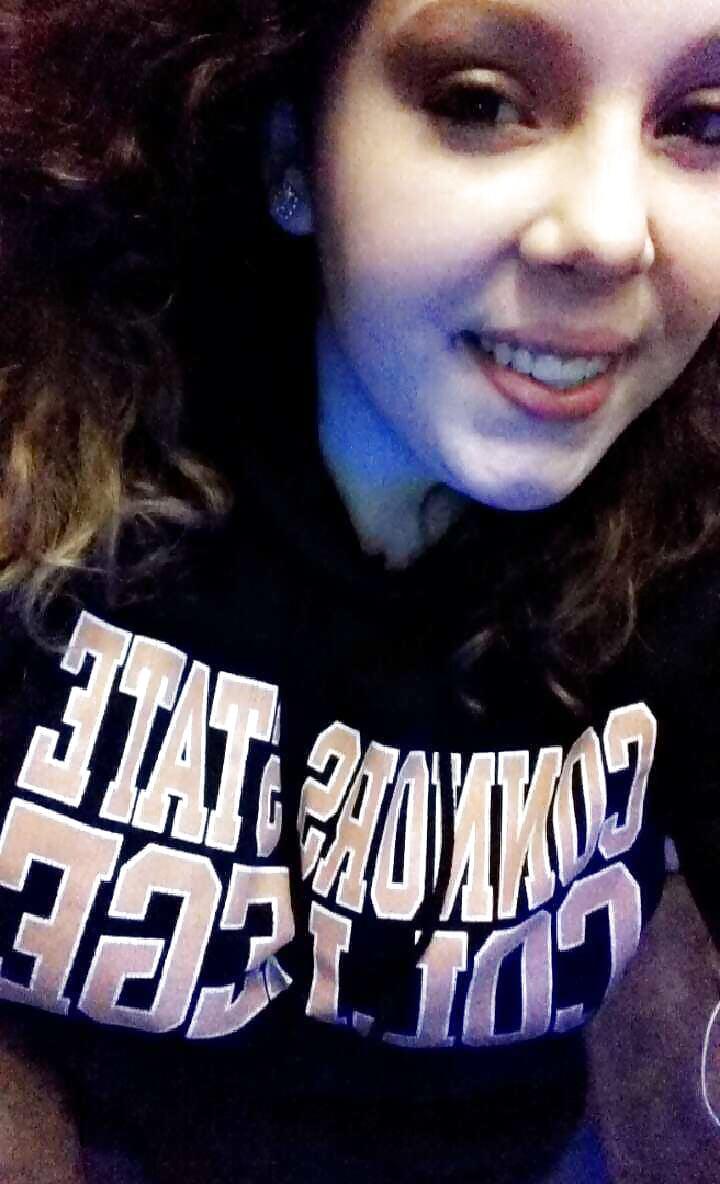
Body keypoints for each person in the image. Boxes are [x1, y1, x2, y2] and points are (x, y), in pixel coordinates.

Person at [1, 0, 720, 1181]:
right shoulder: (39, 438)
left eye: (702, 124)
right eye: (481, 102)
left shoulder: (692, 535)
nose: (608, 232)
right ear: (294, 152)